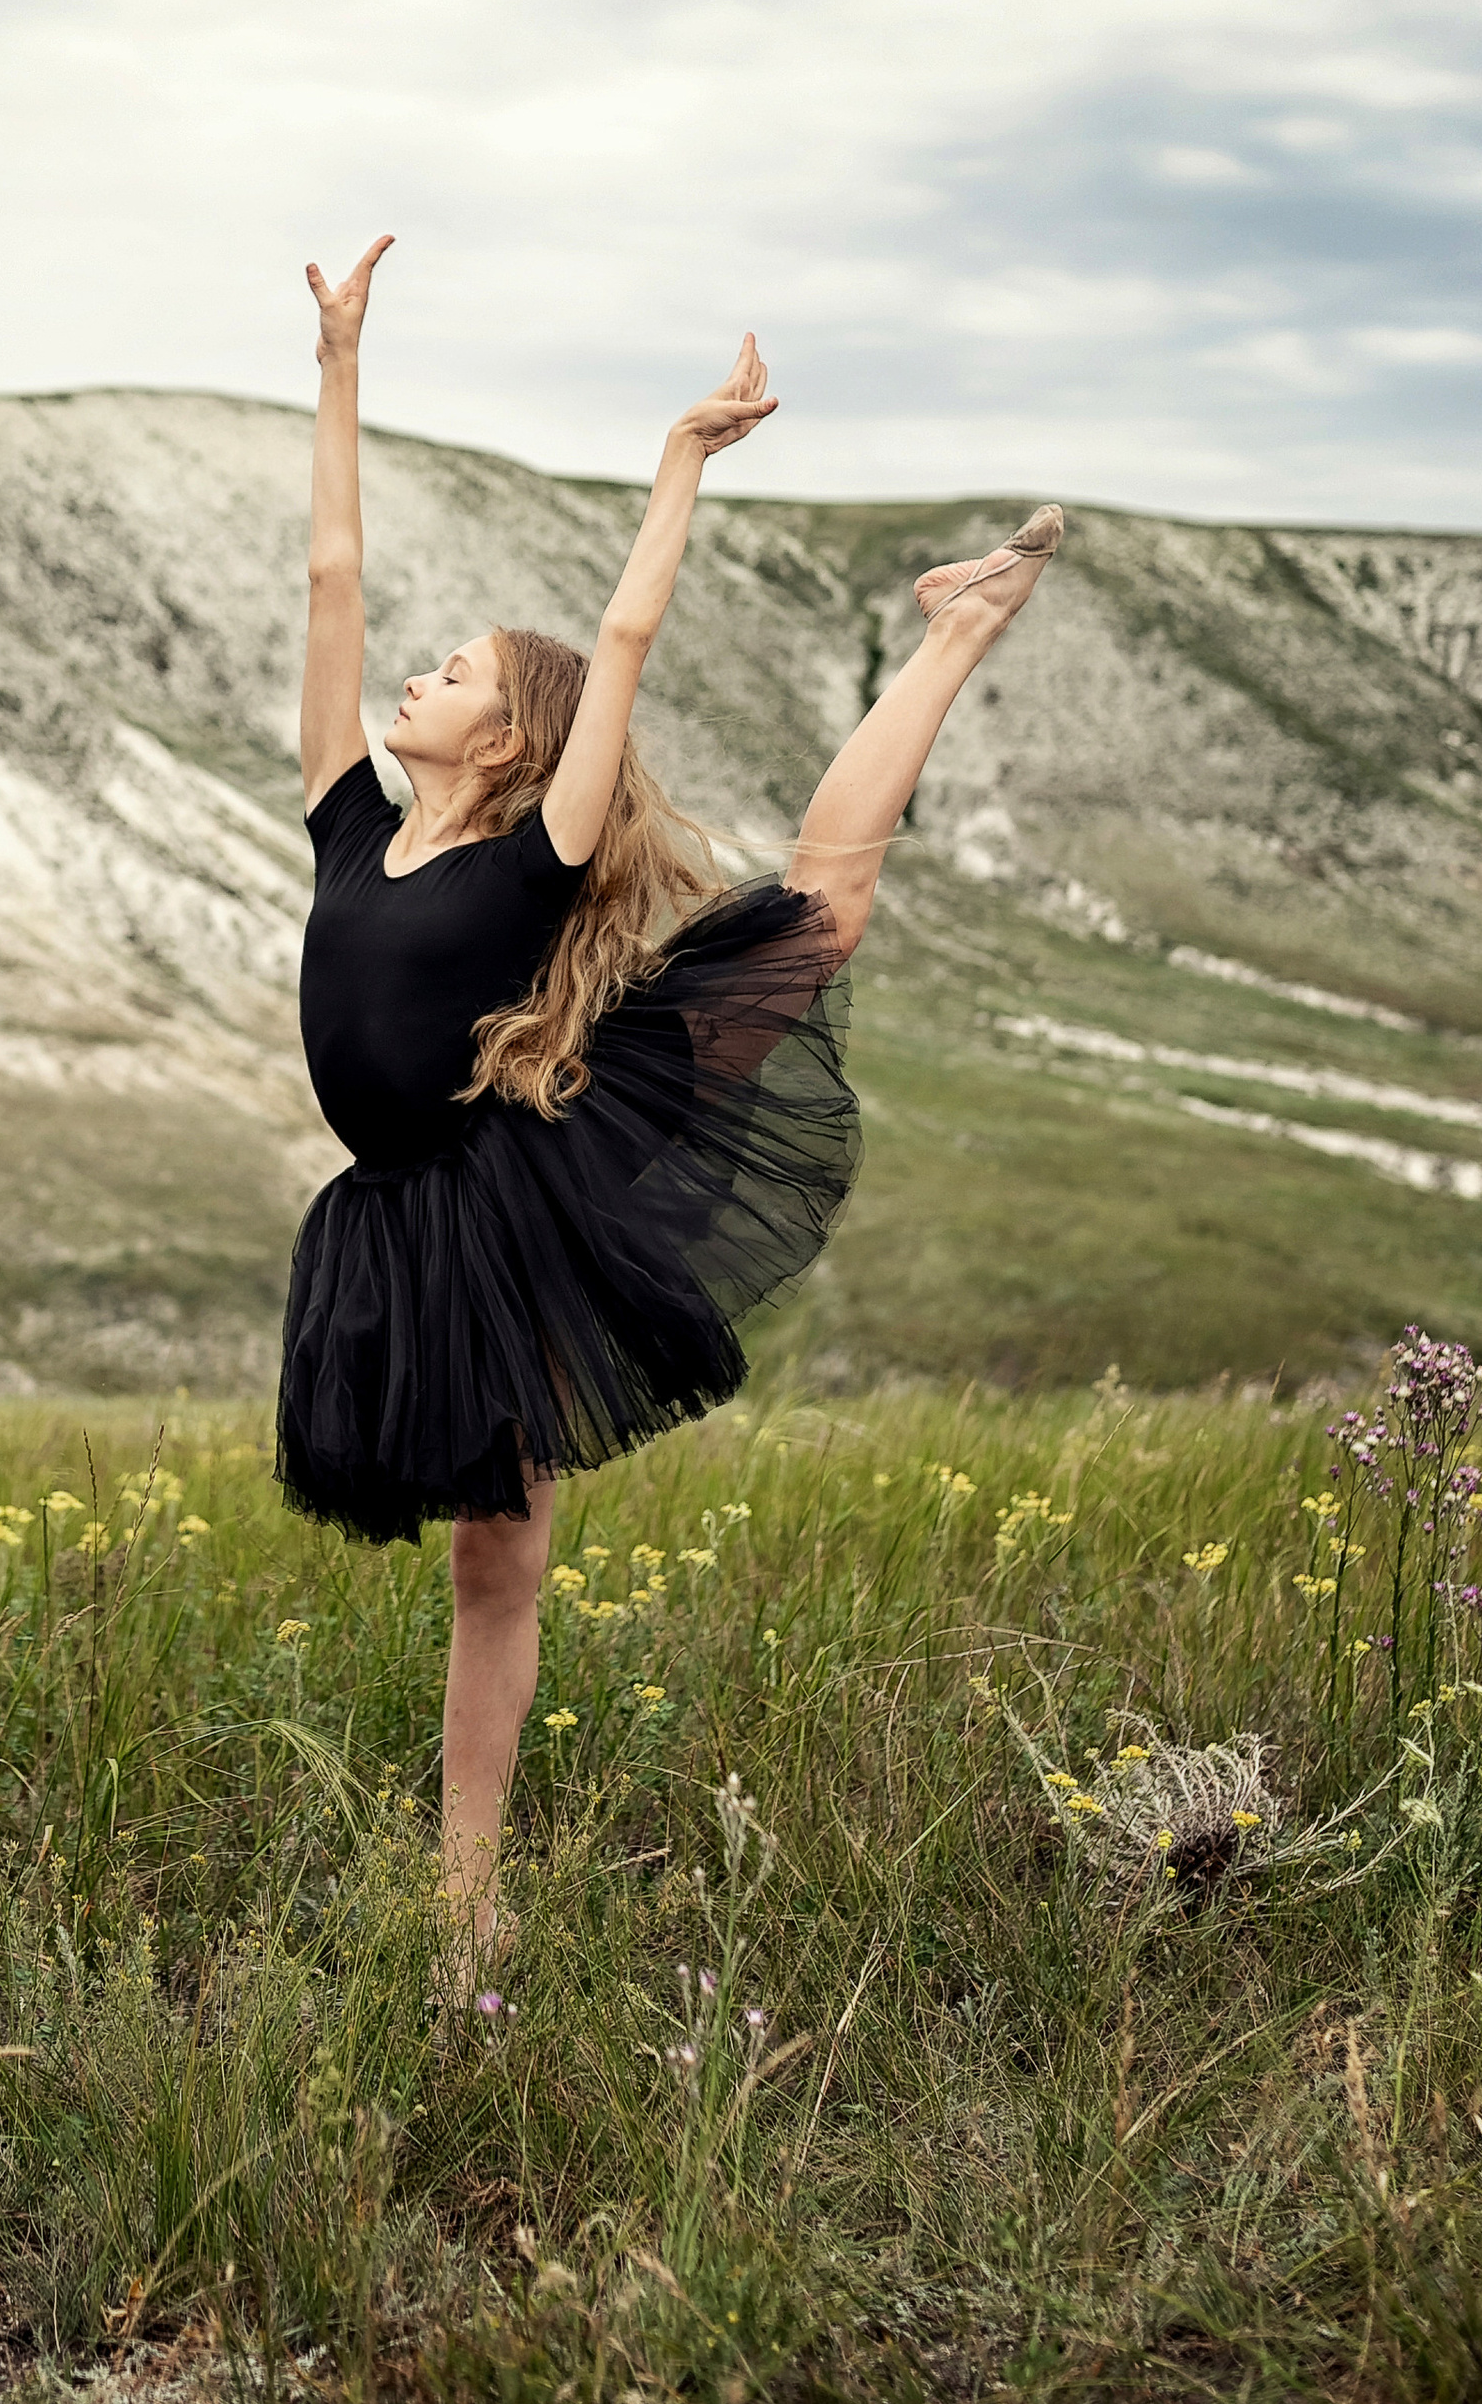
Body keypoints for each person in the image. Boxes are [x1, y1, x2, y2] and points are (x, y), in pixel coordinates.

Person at [278, 234, 1062, 1998]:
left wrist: (680, 461)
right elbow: (331, 576)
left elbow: (624, 631)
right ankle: (464, 1891)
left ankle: (466, 1903)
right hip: (399, 1211)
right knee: (484, 1558)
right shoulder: (347, 821)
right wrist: (339, 364)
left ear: (512, 736)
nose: (415, 679)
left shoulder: (537, 848)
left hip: (522, 1187)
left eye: (453, 672)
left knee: (821, 912)